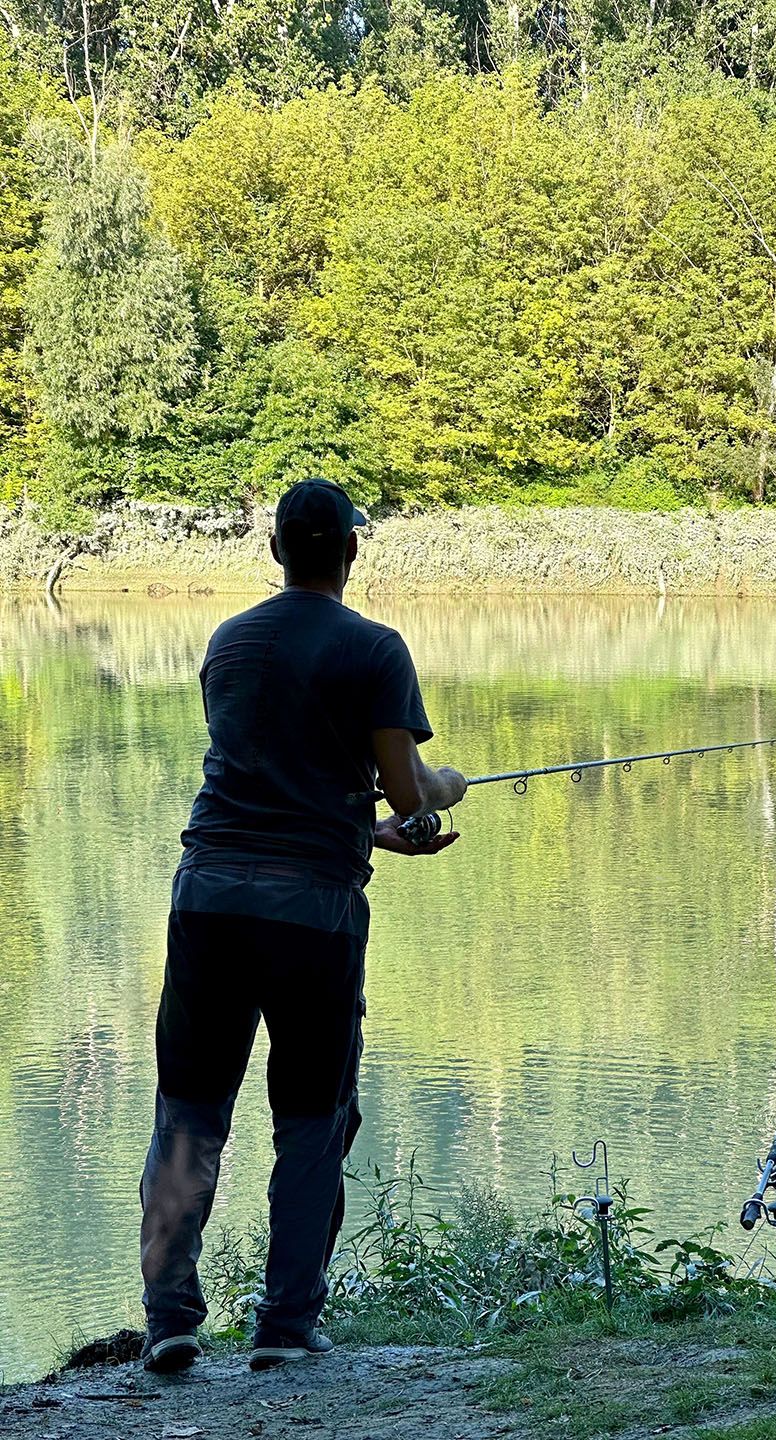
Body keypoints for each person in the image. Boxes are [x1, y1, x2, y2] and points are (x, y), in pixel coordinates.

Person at [138, 478, 467, 1375]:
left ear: (277, 552)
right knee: (312, 1119)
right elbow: (407, 791)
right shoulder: (376, 649)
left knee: (190, 1114)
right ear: (351, 551)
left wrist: (364, 829)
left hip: (206, 900)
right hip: (313, 917)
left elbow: (267, 783)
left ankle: (169, 1318)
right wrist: (446, 789)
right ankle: (285, 1326)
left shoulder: (229, 642)